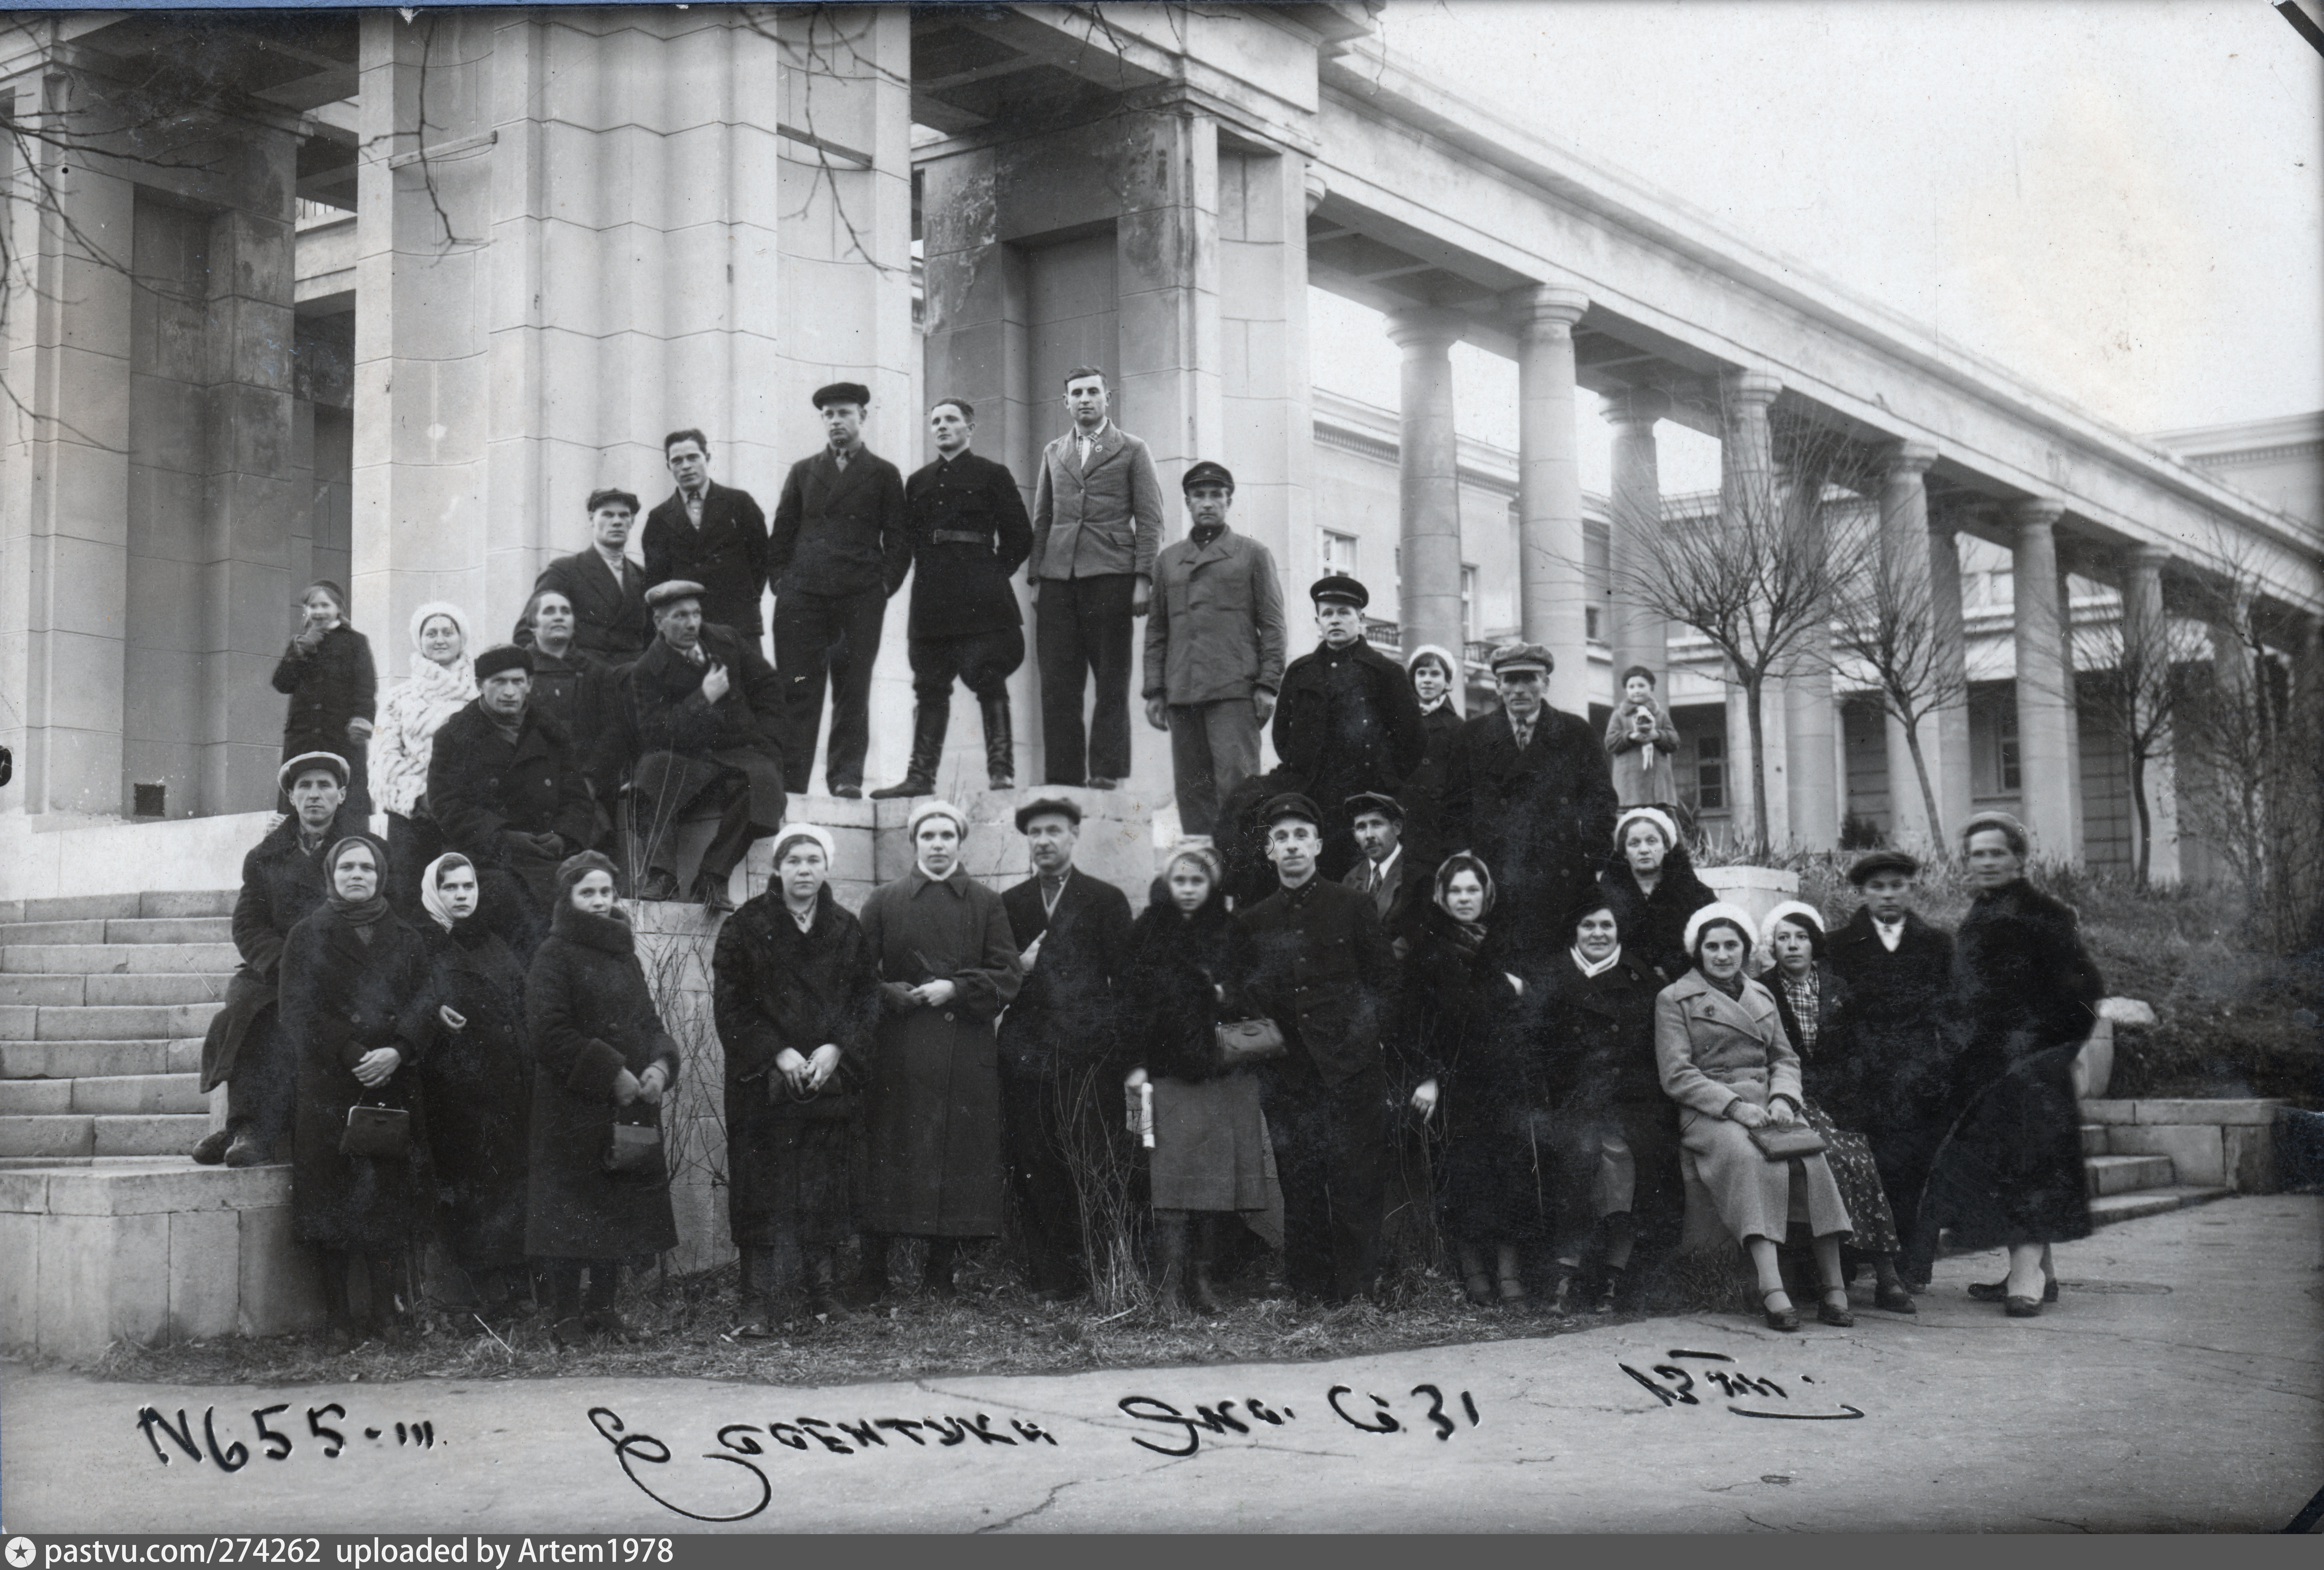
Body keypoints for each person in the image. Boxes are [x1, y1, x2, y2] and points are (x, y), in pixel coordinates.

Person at [1923, 811, 2105, 1318]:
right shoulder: (1979, 914)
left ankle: (2025, 1276)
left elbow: (2085, 991)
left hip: (2032, 1067)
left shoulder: (2047, 915)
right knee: (2007, 1167)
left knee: (2031, 1165)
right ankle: (2035, 1271)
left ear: (2019, 859)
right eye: (1977, 854)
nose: (1985, 862)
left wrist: (2050, 1051)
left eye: (1996, 852)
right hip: (1985, 1067)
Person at [711, 823, 883, 1330]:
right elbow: (731, 1005)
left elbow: (867, 1001)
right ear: (777, 869)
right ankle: (755, 1303)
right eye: (794, 861)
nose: (804, 870)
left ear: (826, 868)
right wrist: (778, 1054)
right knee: (758, 1189)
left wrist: (836, 1051)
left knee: (825, 1188)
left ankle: (826, 1298)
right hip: (763, 1082)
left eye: (813, 860)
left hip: (828, 1082)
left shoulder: (848, 929)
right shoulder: (744, 927)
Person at [1655, 902, 1854, 1332]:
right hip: (1711, 1111)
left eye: (1731, 946)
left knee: (1811, 1160)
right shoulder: (1674, 999)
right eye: (1713, 947)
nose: (1722, 955)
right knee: (1749, 1160)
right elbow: (1677, 1074)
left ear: (1745, 950)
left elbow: (1785, 1057)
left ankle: (1834, 1286)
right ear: (1699, 952)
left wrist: (1784, 1098)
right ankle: (1771, 1287)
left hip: (1768, 1106)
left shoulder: (1760, 995)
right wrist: (1734, 1107)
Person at [854, 800, 1022, 1299]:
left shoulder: (987, 903)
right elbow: (858, 974)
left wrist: (956, 988)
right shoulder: (884, 901)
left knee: (953, 1156)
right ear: (914, 842)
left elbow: (1008, 974)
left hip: (963, 1048)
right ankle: (873, 1273)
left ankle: (939, 1271)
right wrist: (893, 995)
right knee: (889, 1152)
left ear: (960, 842)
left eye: (947, 835)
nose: (938, 844)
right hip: (898, 1048)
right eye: (928, 835)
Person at [1238, 793, 1399, 1304]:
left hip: (1351, 1073)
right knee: (1300, 1184)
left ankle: (1357, 1294)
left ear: (1318, 845)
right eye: (1281, 838)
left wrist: (1360, 1044)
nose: (1291, 847)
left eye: (1300, 836)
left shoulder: (1353, 906)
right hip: (1288, 1080)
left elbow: (1385, 985)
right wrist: (1269, 1056)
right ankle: (1309, 1291)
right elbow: (1246, 999)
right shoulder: (1254, 921)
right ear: (1269, 851)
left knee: (1354, 1182)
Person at [523, 851, 680, 1346]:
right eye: (586, 892)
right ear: (568, 898)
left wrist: (660, 1065)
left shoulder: (624, 952)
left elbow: (650, 1022)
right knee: (571, 1212)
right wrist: (611, 1071)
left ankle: (604, 1309)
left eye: (605, 892)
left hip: (628, 1102)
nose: (598, 901)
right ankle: (565, 1316)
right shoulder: (553, 953)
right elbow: (548, 1032)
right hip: (574, 1105)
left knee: (618, 1206)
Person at [281, 833, 431, 1349]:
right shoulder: (307, 935)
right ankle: (338, 1318)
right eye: (347, 867)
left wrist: (400, 1050)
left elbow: (426, 1003)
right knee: (331, 1203)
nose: (357, 875)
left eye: (367, 868)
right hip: (332, 1085)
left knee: (385, 1202)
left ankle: (386, 1317)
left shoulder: (409, 938)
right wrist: (352, 1053)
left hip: (391, 1083)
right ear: (331, 875)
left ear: (381, 876)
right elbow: (297, 1010)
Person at [192, 752, 369, 1168]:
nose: (314, 795)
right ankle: (250, 1127)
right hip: (279, 969)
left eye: (324, 785)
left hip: (341, 971)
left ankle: (251, 1125)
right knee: (250, 1005)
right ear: (290, 797)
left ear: (342, 795)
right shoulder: (264, 856)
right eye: (304, 787)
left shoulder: (362, 853)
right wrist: (283, 963)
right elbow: (248, 923)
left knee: (305, 1016)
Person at [1121, 844, 1270, 1313]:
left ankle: (1202, 1283)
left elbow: (1257, 988)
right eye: (1180, 881)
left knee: (1212, 1182)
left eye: (1197, 881)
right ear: (1168, 882)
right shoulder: (1146, 930)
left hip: (1217, 1073)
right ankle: (1167, 1287)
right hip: (1164, 1072)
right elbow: (1129, 1002)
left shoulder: (1231, 930)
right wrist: (1136, 1062)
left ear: (1212, 885)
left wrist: (1224, 993)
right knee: (1168, 1182)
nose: (1187, 890)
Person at [996, 797, 1134, 1300]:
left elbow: (1127, 984)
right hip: (1028, 1056)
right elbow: (996, 977)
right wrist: (1018, 966)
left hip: (1089, 1057)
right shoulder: (1009, 903)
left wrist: (1117, 1050)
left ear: (1075, 835)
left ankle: (1101, 1274)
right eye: (1034, 832)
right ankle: (1050, 1278)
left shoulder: (1106, 900)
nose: (1044, 841)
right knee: (1036, 1164)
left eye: (1054, 830)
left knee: (1094, 1161)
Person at [1397, 852, 1541, 1309]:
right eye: (1455, 890)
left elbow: (1530, 1012)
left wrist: (1517, 991)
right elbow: (1412, 1021)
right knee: (1463, 1177)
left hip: (1502, 1078)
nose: (1464, 898)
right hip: (1453, 1082)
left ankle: (1509, 1271)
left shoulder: (1505, 943)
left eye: (1472, 890)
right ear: (1441, 896)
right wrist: (1426, 1077)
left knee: (1511, 1173)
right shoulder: (1427, 949)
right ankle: (1474, 1271)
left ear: (1487, 895)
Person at [1761, 900, 1914, 1314]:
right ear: (1771, 946)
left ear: (1814, 944)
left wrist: (1851, 1097)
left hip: (1843, 1100)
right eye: (1783, 938)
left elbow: (1861, 1051)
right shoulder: (1760, 991)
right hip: (1791, 1100)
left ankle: (1887, 1275)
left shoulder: (1839, 988)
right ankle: (1865, 1275)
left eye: (1801, 937)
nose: (1792, 946)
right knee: (1836, 1158)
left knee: (1862, 1158)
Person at [875, 398, 1033, 797]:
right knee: (929, 686)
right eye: (935, 421)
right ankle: (919, 777)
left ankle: (1001, 773)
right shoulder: (918, 482)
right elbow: (905, 543)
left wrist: (992, 574)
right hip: (931, 599)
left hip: (982, 597)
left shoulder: (992, 474)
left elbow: (1020, 536)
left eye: (951, 420)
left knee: (988, 677)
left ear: (970, 427)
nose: (942, 427)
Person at [767, 382, 911, 799]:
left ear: (862, 417)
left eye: (844, 413)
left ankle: (846, 777)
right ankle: (791, 782)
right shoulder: (802, 471)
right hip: (803, 595)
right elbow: (782, 533)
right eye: (828, 415)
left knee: (853, 687)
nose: (835, 422)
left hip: (858, 595)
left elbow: (899, 538)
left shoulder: (883, 473)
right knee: (797, 688)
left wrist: (883, 585)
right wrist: (781, 582)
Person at [1827, 849, 1958, 1288]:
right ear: (1862, 893)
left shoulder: (1937, 944)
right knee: (1868, 1167)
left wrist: (1941, 1067)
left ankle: (1913, 1267)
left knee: (1918, 1170)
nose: (1887, 895)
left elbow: (1952, 1010)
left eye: (1896, 886)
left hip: (1919, 1073)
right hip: (1863, 1074)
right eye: (1877, 887)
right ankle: (1859, 1263)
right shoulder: (1839, 945)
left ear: (1911, 888)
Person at [1539, 898, 1676, 1315]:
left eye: (1606, 925)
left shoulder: (1642, 983)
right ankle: (1570, 1273)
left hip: (1630, 1101)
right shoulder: (1551, 980)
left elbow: (1652, 1056)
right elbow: (1536, 1049)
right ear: (1574, 932)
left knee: (1624, 1156)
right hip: (1570, 1101)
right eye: (1587, 925)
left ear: (1619, 931)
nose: (1597, 934)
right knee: (1580, 1156)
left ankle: (1611, 1276)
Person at [1029, 367, 1163, 790]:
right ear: (1065, 402)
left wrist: (1143, 578)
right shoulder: (1054, 451)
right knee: (1057, 683)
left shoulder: (1132, 449)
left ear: (1108, 397)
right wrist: (1037, 578)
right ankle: (1064, 778)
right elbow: (1042, 517)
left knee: (1111, 677)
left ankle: (1105, 771)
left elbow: (1150, 518)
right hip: (1057, 578)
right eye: (1076, 394)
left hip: (1110, 574)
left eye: (1092, 392)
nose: (1084, 399)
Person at [619, 580, 788, 911]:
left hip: (740, 752)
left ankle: (712, 877)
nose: (692, 624)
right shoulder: (645, 671)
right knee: (651, 775)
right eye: (680, 616)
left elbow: (768, 687)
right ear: (659, 623)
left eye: (696, 614)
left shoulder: (726, 640)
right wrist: (703, 698)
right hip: (688, 758)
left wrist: (767, 743)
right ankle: (662, 875)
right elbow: (657, 733)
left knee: (763, 786)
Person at [414, 852, 533, 1318]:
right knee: (473, 1191)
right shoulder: (422, 944)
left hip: (507, 1087)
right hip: (456, 1092)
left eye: (468, 887)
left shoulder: (492, 942)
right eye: (451, 888)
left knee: (510, 1187)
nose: (462, 895)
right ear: (433, 893)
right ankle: (488, 1291)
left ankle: (518, 1284)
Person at [1141, 461, 1287, 836]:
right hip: (1182, 691)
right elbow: (1157, 631)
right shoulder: (1168, 561)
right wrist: (1155, 691)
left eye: (1215, 496)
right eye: (1199, 496)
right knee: (1191, 792)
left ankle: (1244, 886)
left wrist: (1268, 684)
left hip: (1233, 691)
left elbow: (1272, 625)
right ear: (1188, 502)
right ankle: (1203, 885)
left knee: (1238, 789)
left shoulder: (1252, 554)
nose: (1207, 503)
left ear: (1229, 501)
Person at [1443, 641, 1617, 950]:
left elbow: (1600, 801)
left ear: (1546, 683)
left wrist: (1595, 859)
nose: (1519, 689)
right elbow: (1455, 806)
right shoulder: (1472, 735)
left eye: (1529, 679)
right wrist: (1465, 858)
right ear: (1498, 685)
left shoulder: (1576, 732)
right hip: (1495, 874)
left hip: (1560, 876)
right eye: (1511, 680)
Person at [427, 645, 597, 955]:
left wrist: (563, 836)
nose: (510, 692)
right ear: (480, 685)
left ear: (530, 684)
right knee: (515, 906)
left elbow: (578, 800)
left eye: (518, 682)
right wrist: (503, 836)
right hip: (483, 855)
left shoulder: (552, 734)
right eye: (499, 682)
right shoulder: (454, 736)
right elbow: (446, 805)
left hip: (547, 853)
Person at [1270, 576, 1426, 881]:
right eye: (1328, 614)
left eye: (1344, 612)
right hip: (1314, 796)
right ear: (1318, 621)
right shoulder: (1301, 672)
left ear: (1361, 619)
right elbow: (1282, 735)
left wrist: (1385, 779)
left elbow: (1414, 739)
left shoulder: (1386, 672)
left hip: (1367, 797)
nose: (1336, 620)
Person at [372, 602, 477, 922]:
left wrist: (456, 802)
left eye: (449, 631)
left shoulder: (480, 696)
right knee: (409, 901)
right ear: (420, 640)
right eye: (431, 633)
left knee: (467, 900)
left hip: (467, 814)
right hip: (413, 817)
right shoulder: (399, 697)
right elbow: (384, 758)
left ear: (462, 638)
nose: (440, 639)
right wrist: (421, 798)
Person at [643, 429, 769, 644]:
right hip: (688, 629)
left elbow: (762, 558)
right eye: (677, 461)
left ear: (707, 458)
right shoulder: (659, 518)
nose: (686, 466)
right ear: (669, 467)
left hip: (738, 623)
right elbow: (658, 578)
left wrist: (743, 598)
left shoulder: (739, 503)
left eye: (693, 457)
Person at [517, 586, 622, 840]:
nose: (559, 617)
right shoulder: (518, 672)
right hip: (528, 788)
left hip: (586, 789)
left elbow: (613, 732)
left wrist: (591, 779)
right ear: (533, 625)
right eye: (549, 611)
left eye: (566, 612)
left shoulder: (597, 672)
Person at [272, 580, 377, 817]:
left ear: (339, 608)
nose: (319, 612)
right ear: (306, 610)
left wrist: (362, 718)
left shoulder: (355, 642)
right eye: (313, 606)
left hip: (341, 737)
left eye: (325, 605)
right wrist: (299, 653)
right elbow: (282, 684)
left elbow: (366, 687)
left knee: (344, 801)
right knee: (301, 799)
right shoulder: (299, 643)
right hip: (304, 738)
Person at [518, 490, 653, 663]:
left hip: (632, 682)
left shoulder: (642, 576)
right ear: (592, 518)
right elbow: (526, 632)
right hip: (584, 681)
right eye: (608, 515)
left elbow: (653, 636)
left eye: (624, 516)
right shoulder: (566, 570)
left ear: (632, 521)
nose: (617, 522)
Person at [1596, 805, 1714, 981]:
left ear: (1666, 847)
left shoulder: (1698, 895)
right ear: (1624, 853)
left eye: (1652, 841)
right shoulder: (1602, 896)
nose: (1644, 850)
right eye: (1634, 843)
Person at [1399, 644, 1464, 872]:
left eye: (1435, 674)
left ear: (1448, 682)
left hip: (1439, 825)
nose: (1427, 680)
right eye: (1422, 673)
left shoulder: (1458, 727)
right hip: (1404, 818)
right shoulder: (1399, 720)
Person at [1341, 791, 1423, 952]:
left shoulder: (1419, 877)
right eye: (1361, 827)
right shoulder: (1350, 880)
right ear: (1355, 835)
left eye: (1377, 824)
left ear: (1397, 828)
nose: (1369, 835)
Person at [1603, 666, 1679, 809]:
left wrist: (1657, 736)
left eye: (1641, 686)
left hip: (1658, 785)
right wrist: (1630, 737)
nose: (1637, 691)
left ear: (1651, 688)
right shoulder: (1619, 716)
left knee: (1668, 824)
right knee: (1624, 825)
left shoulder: (1660, 715)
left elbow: (1675, 742)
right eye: (1631, 687)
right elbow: (1610, 743)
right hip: (1629, 784)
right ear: (1626, 690)